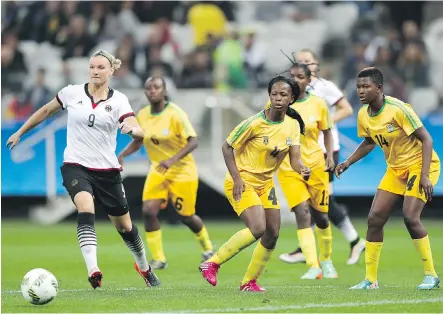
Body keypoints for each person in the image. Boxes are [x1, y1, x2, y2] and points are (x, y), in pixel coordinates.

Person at [6, 50, 160, 289]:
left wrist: (132, 131)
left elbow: (139, 131)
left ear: (111, 71)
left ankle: (143, 266)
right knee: (85, 207)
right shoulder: (71, 93)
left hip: (107, 170)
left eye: (100, 67)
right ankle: (93, 269)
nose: (95, 71)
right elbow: (46, 111)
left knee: (125, 227)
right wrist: (20, 132)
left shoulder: (119, 100)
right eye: (92, 67)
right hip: (76, 165)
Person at [199, 76, 310, 292]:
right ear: (269, 95)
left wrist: (302, 169)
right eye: (274, 94)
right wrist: (238, 178)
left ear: (292, 98)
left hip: (265, 184)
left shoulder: (293, 125)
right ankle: (211, 263)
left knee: (273, 233)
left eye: (283, 94)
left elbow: (295, 160)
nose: (278, 98)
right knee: (258, 228)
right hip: (241, 181)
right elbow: (226, 147)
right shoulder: (254, 123)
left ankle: (249, 282)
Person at [335, 67, 440, 290]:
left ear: (379, 88)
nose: (361, 91)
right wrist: (347, 162)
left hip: (421, 166)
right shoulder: (363, 114)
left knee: (410, 217)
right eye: (358, 87)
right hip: (396, 169)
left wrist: (424, 177)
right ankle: (370, 280)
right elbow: (370, 142)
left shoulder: (399, 109)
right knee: (374, 219)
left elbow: (427, 139)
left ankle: (431, 275)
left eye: (366, 87)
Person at [280, 49, 366, 266]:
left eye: (307, 61)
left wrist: (323, 123)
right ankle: (351, 241)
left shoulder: (324, 87)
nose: (303, 64)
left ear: (315, 65)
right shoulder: (292, 89)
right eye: (300, 61)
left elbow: (346, 109)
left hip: (326, 150)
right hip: (305, 151)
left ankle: (343, 243)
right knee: (315, 200)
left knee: (321, 201)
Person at [118, 76, 214, 269]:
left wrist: (172, 160)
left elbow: (193, 141)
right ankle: (159, 259)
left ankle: (208, 248)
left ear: (164, 91)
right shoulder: (143, 114)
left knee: (186, 216)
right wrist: (121, 155)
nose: (152, 91)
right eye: (148, 88)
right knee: (148, 211)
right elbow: (138, 140)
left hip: (182, 170)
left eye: (156, 87)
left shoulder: (176, 114)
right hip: (158, 169)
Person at [267, 62, 338, 279]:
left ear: (308, 81)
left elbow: (326, 131)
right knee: (302, 213)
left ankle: (326, 261)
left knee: (322, 217)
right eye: (292, 76)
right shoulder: (278, 103)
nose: (296, 80)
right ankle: (313, 266)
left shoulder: (318, 104)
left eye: (300, 76)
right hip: (289, 168)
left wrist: (329, 156)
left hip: (315, 165)